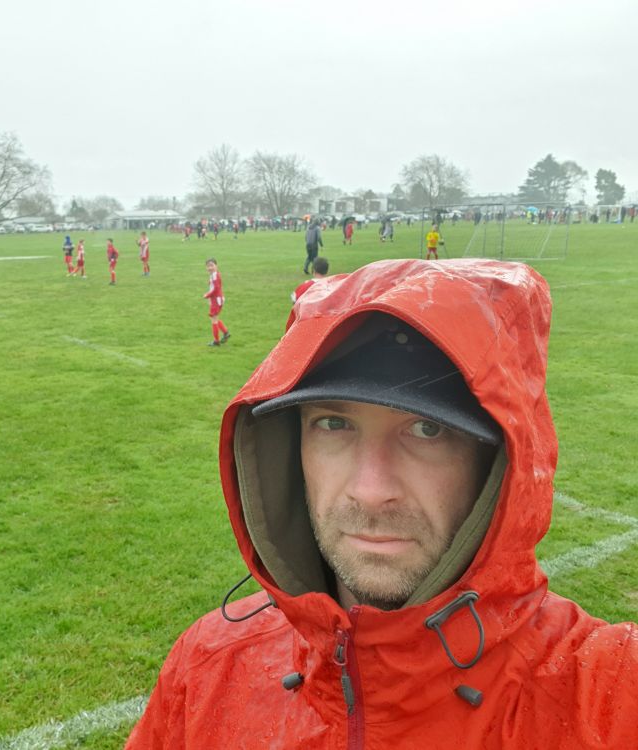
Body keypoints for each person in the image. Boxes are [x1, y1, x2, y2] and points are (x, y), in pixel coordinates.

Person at [126, 258, 638, 748]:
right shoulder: (207, 665)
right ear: (289, 448)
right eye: (334, 424)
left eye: (427, 430)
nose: (371, 490)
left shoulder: (608, 697)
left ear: (500, 463)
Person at [203, 258, 230, 347]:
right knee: (215, 318)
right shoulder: (214, 274)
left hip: (216, 300)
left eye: (212, 265)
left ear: (216, 266)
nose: (210, 268)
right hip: (218, 299)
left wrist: (207, 295)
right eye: (208, 266)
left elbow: (216, 289)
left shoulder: (214, 275)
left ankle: (216, 341)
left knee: (214, 320)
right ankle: (225, 333)